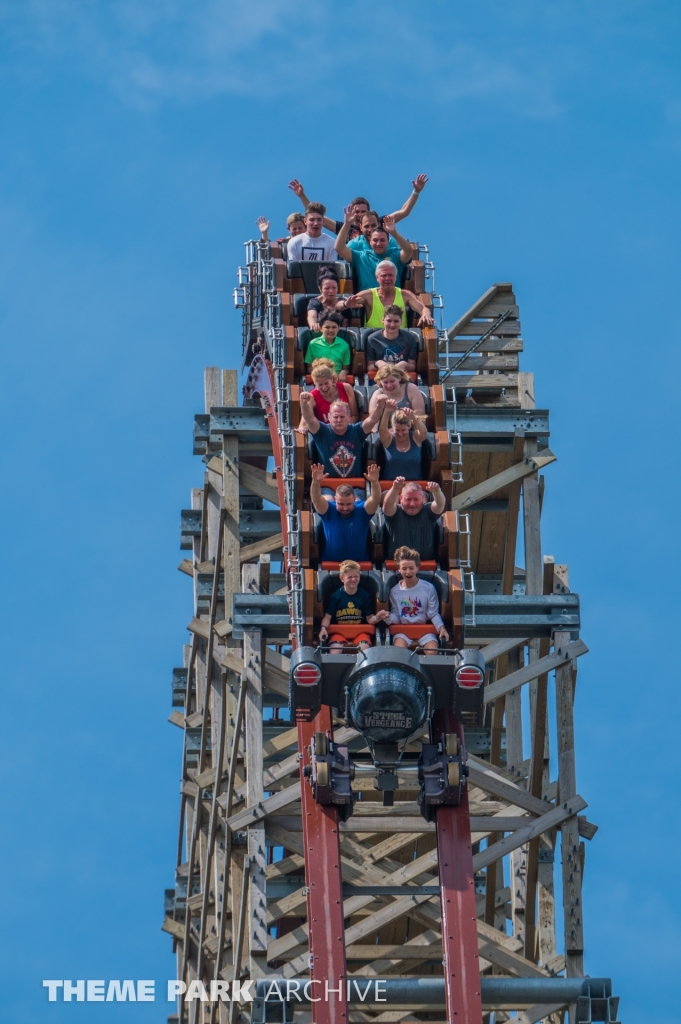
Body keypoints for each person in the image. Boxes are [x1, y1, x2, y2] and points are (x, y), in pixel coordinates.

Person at [288, 176, 429, 236]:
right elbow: (316, 215)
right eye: (357, 211)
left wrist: (416, 191)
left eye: (363, 211)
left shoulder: (378, 223)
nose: (360, 214)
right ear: (351, 212)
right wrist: (302, 195)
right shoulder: (346, 228)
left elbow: (404, 212)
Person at [299, 391, 386, 478]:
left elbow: (372, 420)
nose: (339, 420)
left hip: (354, 485)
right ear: (329, 417)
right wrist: (303, 403)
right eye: (335, 417)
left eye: (342, 417)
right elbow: (309, 419)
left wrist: (380, 405)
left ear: (349, 417)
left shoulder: (357, 430)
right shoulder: (322, 431)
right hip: (327, 485)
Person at [311, 463, 381, 563]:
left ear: (354, 499)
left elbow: (375, 500)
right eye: (341, 504)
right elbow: (316, 499)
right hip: (331, 564)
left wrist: (374, 482)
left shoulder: (362, 511)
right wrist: (315, 482)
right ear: (335, 500)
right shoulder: (329, 511)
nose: (345, 508)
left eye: (348, 504)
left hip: (359, 565)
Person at [385, 547, 449, 651]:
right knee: (400, 651)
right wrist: (388, 617)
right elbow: (397, 617)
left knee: (432, 651)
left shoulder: (428, 588)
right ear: (399, 569)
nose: (408, 572)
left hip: (424, 631)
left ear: (417, 568)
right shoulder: (394, 591)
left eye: (411, 568)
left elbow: (432, 614)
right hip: (403, 632)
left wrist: (441, 628)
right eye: (404, 569)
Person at [342, 263, 435, 331]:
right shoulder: (368, 295)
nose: (387, 279)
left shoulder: (405, 295)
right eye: (384, 275)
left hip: (399, 341)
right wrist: (346, 304)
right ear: (377, 278)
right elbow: (339, 305)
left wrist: (426, 314)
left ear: (395, 277)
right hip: (374, 341)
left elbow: (423, 308)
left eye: (390, 275)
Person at [335, 210, 413, 291]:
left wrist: (394, 232)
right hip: (368, 301)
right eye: (375, 240)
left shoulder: (395, 254)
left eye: (382, 240)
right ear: (370, 242)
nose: (378, 244)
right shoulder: (361, 257)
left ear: (388, 241)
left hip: (393, 302)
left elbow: (408, 251)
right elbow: (339, 248)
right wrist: (347, 224)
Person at [319, 559, 383, 652]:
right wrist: (323, 628)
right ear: (342, 578)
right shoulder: (335, 596)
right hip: (339, 633)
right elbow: (327, 617)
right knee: (335, 649)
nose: (353, 579)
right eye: (349, 577)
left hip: (360, 633)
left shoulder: (365, 596)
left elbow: (370, 619)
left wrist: (377, 617)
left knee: (364, 648)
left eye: (356, 576)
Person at [382, 478, 446, 560]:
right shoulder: (395, 512)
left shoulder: (428, 511)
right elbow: (387, 505)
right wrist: (395, 488)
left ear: (422, 498)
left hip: (425, 566)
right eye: (408, 499)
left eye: (416, 499)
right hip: (397, 567)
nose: (412, 504)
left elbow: (440, 504)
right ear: (401, 498)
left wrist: (437, 491)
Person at [378, 403, 427, 480]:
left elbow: (424, 433)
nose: (400, 434)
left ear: (409, 427)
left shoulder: (415, 437)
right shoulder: (389, 439)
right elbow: (382, 430)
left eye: (403, 430)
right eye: (397, 430)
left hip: (414, 486)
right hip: (391, 486)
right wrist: (387, 411)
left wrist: (413, 417)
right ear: (393, 427)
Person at [309, 359, 359, 423]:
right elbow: (305, 420)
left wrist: (344, 429)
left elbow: (355, 415)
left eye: (326, 383)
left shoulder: (346, 388)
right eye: (320, 385)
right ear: (315, 384)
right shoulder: (312, 396)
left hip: (347, 428)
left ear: (331, 380)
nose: (324, 387)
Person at [304, 313, 351, 380]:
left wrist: (343, 372)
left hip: (337, 380)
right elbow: (309, 367)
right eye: (327, 327)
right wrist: (320, 374)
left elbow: (346, 368)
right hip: (319, 380)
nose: (331, 330)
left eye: (334, 327)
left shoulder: (344, 345)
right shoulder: (313, 344)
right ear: (320, 328)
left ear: (338, 328)